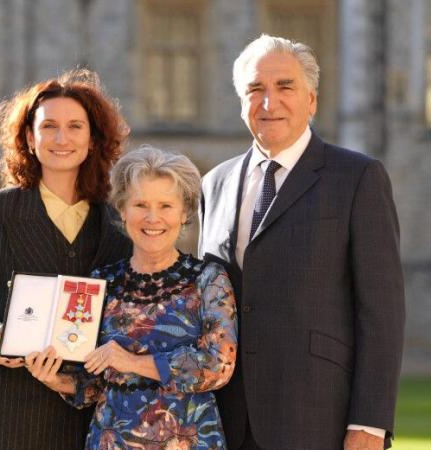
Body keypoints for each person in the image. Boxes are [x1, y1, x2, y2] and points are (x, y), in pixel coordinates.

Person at [199, 34, 405, 450]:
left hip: (317, 417)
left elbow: (381, 312)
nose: (269, 102)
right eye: (255, 89)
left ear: (311, 100)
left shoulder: (357, 178)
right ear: (242, 102)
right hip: (223, 421)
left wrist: (370, 422)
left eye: (284, 86)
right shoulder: (214, 184)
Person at [0, 69, 132, 450]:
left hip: (96, 423)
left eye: (76, 126)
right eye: (49, 126)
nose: (63, 138)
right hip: (13, 419)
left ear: (93, 138)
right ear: (29, 137)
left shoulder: (119, 224)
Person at [25, 146, 238, 449]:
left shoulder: (208, 279)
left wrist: (130, 361)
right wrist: (53, 378)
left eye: (166, 205)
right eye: (140, 204)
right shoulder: (101, 282)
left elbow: (218, 366)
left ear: (184, 213)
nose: (153, 218)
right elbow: (92, 385)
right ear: (123, 211)